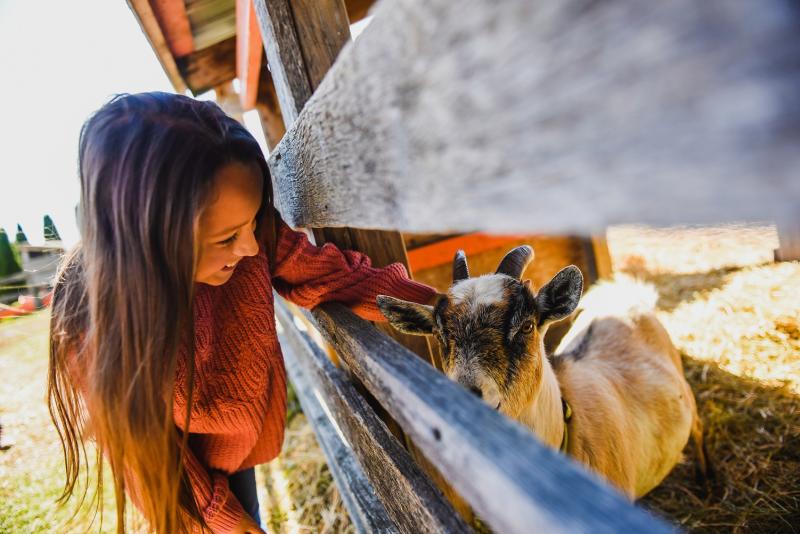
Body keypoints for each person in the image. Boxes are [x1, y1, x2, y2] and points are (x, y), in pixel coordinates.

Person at [47, 92, 438, 533]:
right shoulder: (92, 321)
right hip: (178, 487)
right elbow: (146, 453)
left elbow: (327, 275)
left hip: (233, 450)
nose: (251, 248)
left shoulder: (248, 239)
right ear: (152, 236)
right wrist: (224, 520)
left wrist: (438, 306)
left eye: (253, 223)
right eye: (226, 237)